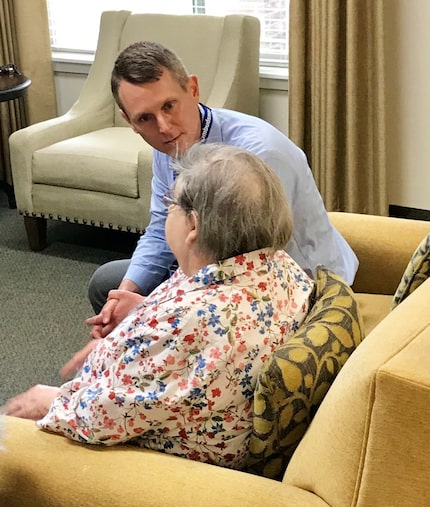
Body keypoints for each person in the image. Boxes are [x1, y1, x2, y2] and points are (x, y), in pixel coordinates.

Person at [6, 143, 315, 470]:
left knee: (15, 431)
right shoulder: (276, 265)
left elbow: (105, 417)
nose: (166, 211)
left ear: (193, 226)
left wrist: (51, 401)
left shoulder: (191, 322)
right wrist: (139, 316)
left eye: (170, 203)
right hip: (186, 405)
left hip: (158, 460)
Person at [87, 40, 358, 338]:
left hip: (294, 284)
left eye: (169, 106)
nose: (163, 127)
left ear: (192, 89)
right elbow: (159, 231)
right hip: (215, 268)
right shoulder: (169, 145)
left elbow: (245, 270)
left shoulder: (258, 157)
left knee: (142, 318)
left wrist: (152, 310)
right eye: (145, 118)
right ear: (130, 121)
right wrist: (125, 295)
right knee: (109, 286)